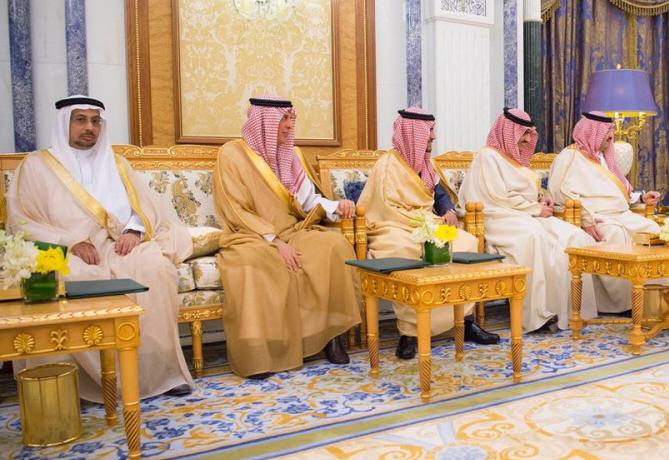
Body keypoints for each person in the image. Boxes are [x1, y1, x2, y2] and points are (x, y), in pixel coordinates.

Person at [8, 95, 195, 399]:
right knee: (72, 276)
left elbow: (146, 207)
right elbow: (22, 220)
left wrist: (134, 230)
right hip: (66, 250)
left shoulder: (117, 164)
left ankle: (160, 374)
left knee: (155, 267)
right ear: (64, 123)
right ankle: (75, 382)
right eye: (80, 120)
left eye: (95, 121)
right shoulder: (36, 166)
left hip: (117, 245)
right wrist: (69, 242)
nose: (89, 128)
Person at [213, 95, 361, 378]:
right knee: (254, 262)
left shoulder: (289, 155)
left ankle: (331, 336)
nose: (290, 125)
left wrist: (336, 207)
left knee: (333, 245)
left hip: (291, 231)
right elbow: (235, 209)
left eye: (292, 119)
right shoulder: (231, 155)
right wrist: (274, 241)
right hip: (249, 234)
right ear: (264, 121)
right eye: (283, 119)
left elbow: (307, 201)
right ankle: (262, 352)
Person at [358, 107, 499, 359]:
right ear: (412, 134)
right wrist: (420, 223)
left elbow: (439, 193)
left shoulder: (427, 164)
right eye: (429, 132)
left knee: (465, 242)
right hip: (392, 227)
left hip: (427, 224)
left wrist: (448, 211)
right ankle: (410, 333)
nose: (433, 137)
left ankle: (464, 322)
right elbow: (384, 208)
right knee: (403, 250)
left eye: (432, 131)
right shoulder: (388, 165)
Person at [458, 108, 599, 332]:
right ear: (507, 132)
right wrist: (535, 208)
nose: (527, 139)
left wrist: (542, 199)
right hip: (498, 218)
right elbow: (498, 197)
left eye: (529, 134)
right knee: (535, 237)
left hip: (526, 215)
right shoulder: (488, 157)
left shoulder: (517, 161)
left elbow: (524, 191)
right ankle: (538, 315)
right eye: (522, 133)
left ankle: (573, 310)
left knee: (574, 236)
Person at [547, 111, 663, 313]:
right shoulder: (570, 157)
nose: (611, 136)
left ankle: (653, 298)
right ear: (591, 132)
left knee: (653, 230)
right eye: (606, 132)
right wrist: (586, 219)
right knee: (615, 234)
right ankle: (620, 304)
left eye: (610, 131)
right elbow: (560, 192)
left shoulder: (604, 158)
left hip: (621, 214)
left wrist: (642, 198)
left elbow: (619, 193)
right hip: (596, 216)